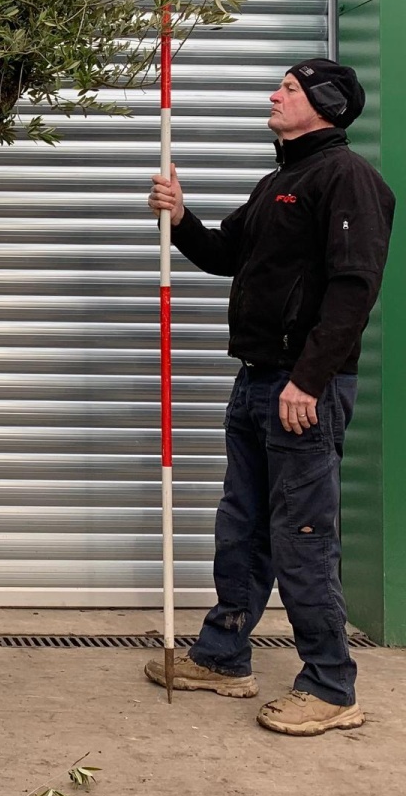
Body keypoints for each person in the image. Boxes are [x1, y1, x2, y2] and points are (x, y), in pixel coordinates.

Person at [143, 59, 395, 735]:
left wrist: (308, 380)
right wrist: (181, 217)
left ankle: (331, 687)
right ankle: (224, 656)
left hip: (300, 389)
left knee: (303, 535)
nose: (274, 96)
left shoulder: (348, 180)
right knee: (244, 526)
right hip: (256, 380)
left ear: (326, 105)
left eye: (289, 89)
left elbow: (353, 289)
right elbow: (227, 254)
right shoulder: (280, 180)